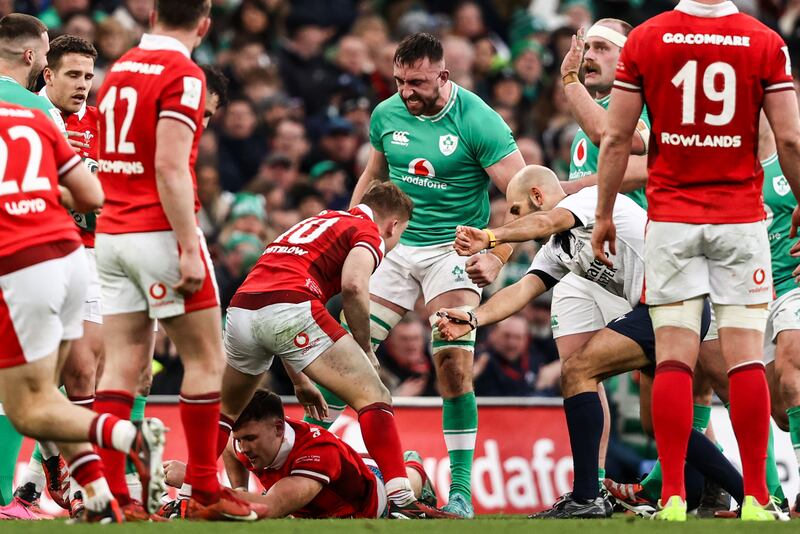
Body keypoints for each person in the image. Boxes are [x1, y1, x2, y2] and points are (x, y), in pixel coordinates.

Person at [591, 0, 800, 521]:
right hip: (740, 221)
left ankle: (675, 498)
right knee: (746, 357)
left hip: (672, 221)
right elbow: (791, 139)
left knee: (674, 359)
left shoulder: (646, 39)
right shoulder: (765, 41)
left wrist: (602, 214)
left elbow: (615, 137)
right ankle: (756, 497)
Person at [437, 165, 744, 518]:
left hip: (672, 301)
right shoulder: (556, 249)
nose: (515, 223)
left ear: (538, 197)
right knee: (662, 422)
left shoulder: (589, 201)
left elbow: (546, 222)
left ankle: (586, 496)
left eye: (517, 210)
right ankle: (750, 495)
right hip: (665, 309)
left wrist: (493, 238)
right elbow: (523, 289)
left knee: (578, 370)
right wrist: (475, 319)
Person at [92, 0, 262, 521]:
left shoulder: (119, 68)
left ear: (151, 16)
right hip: (159, 233)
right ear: (205, 24)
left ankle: (112, 494)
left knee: (121, 365)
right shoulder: (182, 74)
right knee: (207, 360)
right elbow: (169, 167)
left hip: (112, 233)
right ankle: (207, 492)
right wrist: (189, 245)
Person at [346, 32, 526, 518]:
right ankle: (323, 470)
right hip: (395, 246)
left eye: (418, 82)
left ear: (444, 76)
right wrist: (348, 235)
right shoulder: (386, 114)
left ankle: (462, 491)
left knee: (451, 361)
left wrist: (499, 252)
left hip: (454, 246)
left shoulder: (479, 120)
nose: (407, 92)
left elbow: (525, 198)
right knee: (342, 358)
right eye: (401, 81)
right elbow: (373, 177)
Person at [215, 182, 453, 519]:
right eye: (399, 234)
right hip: (291, 306)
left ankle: (188, 493)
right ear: (394, 225)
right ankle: (402, 497)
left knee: (226, 413)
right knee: (375, 394)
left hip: (241, 310)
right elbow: (354, 286)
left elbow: (274, 306)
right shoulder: (367, 230)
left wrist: (299, 381)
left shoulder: (318, 221)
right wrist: (365, 346)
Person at [0, 98, 165, 525]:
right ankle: (95, 496)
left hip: (21, 263)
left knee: (26, 406)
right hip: (73, 258)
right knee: (48, 396)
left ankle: (128, 436)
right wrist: (44, 190)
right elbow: (93, 195)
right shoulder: (38, 118)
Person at [548, 20, 652, 497]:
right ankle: (595, 486)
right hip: (588, 265)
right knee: (578, 369)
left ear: (627, 59)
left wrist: (567, 188)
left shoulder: (637, 107)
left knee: (666, 395)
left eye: (602, 47)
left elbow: (632, 153)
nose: (588, 54)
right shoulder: (583, 125)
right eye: (586, 45)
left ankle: (722, 483)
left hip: (636, 265)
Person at [163, 390, 439, 519]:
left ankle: (412, 469)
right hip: (334, 485)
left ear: (278, 428)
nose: (244, 447)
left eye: (250, 439)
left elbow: (269, 509)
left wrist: (194, 479)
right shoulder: (246, 441)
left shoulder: (317, 453)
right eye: (240, 439)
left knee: (407, 474)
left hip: (373, 502)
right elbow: (229, 448)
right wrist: (238, 489)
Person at [0, 12, 68, 510]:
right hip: (20, 252)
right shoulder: (38, 111)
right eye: (45, 53)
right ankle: (6, 493)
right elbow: (73, 191)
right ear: (30, 56)